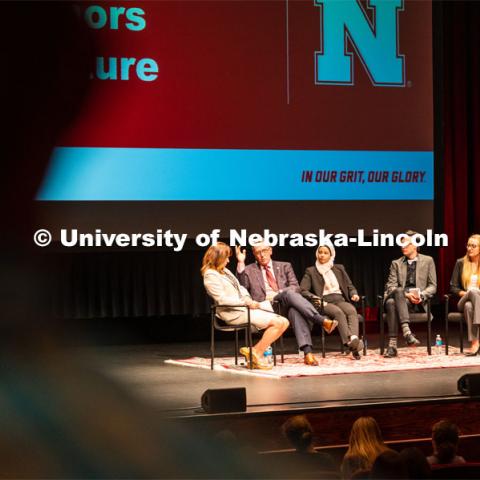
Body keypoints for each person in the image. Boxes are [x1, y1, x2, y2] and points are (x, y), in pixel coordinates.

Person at [236, 241, 338, 366]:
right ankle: (321, 321)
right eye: (258, 252)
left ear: (270, 251)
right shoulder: (248, 270)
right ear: (254, 254)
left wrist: (278, 293)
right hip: (265, 308)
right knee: (289, 296)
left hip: (283, 305)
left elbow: (295, 286)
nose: (261, 255)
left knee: (293, 308)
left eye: (264, 251)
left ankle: (308, 353)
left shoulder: (285, 266)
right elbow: (242, 288)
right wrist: (241, 262)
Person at [202, 242, 289, 369]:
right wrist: (245, 303)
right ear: (218, 258)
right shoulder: (210, 275)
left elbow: (240, 288)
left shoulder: (224, 271)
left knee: (284, 322)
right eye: (226, 258)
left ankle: (255, 351)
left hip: (243, 309)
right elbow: (221, 299)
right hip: (232, 313)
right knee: (278, 323)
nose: (227, 261)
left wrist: (248, 299)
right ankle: (256, 353)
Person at [300, 242, 363, 360]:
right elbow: (303, 290)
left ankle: (354, 339)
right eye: (320, 252)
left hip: (339, 299)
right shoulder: (311, 271)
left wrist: (354, 294)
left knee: (351, 309)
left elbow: (350, 286)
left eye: (325, 253)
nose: (322, 255)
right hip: (324, 302)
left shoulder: (339, 268)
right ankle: (349, 343)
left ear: (331, 255)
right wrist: (316, 299)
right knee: (338, 312)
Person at [383, 231, 437, 358]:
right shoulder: (396, 263)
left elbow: (433, 286)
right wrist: (406, 295)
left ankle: (392, 346)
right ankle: (407, 332)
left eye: (406, 244)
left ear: (416, 245)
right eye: (401, 244)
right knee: (395, 296)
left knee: (392, 303)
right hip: (401, 299)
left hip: (417, 303)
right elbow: (391, 287)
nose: (403, 246)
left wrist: (421, 295)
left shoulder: (428, 260)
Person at [450, 234, 480, 356]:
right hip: (463, 299)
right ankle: (479, 320)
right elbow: (453, 287)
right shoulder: (460, 263)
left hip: (476, 302)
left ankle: (475, 343)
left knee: (469, 306)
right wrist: (466, 293)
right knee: (472, 293)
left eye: (473, 246)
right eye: (468, 245)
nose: (469, 248)